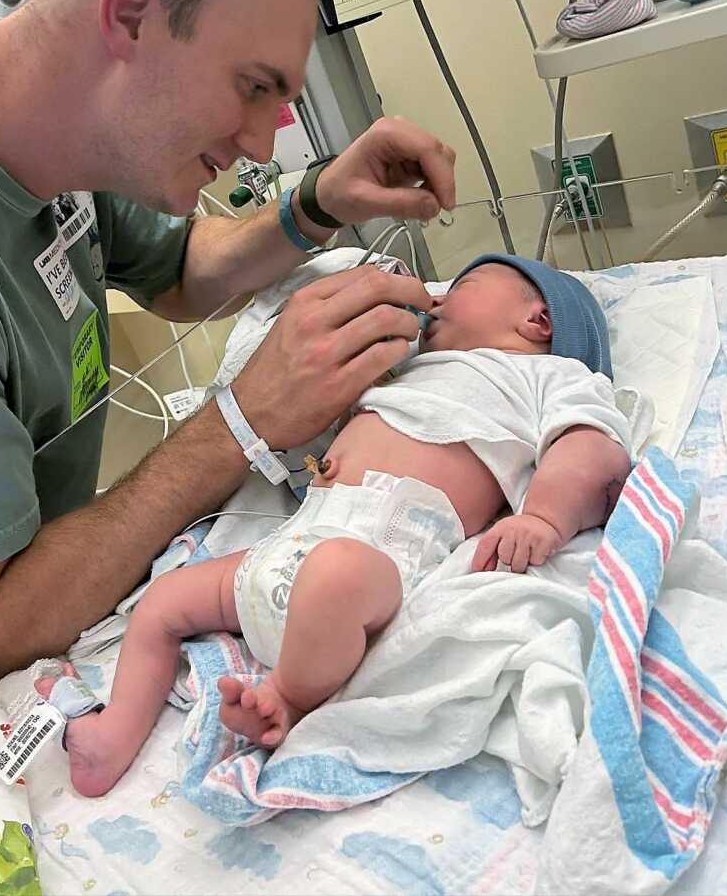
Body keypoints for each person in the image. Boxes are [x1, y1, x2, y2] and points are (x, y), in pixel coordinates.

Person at [0, 0, 458, 712]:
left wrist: (316, 202)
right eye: (252, 87)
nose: (259, 141)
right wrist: (241, 421)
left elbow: (175, 270)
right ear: (129, 11)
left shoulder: (29, 92)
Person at [36, 254, 632, 798]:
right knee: (163, 602)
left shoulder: (545, 379)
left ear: (538, 321)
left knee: (335, 576)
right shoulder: (409, 373)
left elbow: (591, 452)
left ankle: (287, 699)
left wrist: (543, 518)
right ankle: (115, 732)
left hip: (377, 563)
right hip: (285, 551)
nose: (440, 295)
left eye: (463, 284)